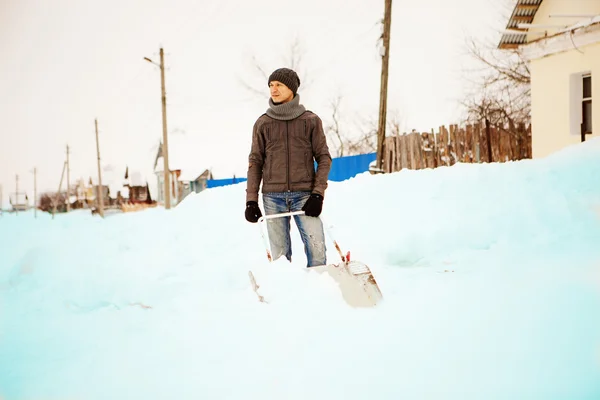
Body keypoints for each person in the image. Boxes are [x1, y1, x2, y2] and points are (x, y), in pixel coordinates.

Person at [244, 67, 332, 267]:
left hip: (305, 196)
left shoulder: (310, 121)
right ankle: (286, 296)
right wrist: (251, 201)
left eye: (279, 85)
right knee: (280, 260)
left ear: (292, 89)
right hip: (273, 198)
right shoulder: (263, 123)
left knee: (317, 254)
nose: (273, 90)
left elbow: (324, 158)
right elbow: (255, 162)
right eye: (271, 85)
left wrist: (317, 194)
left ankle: (320, 294)